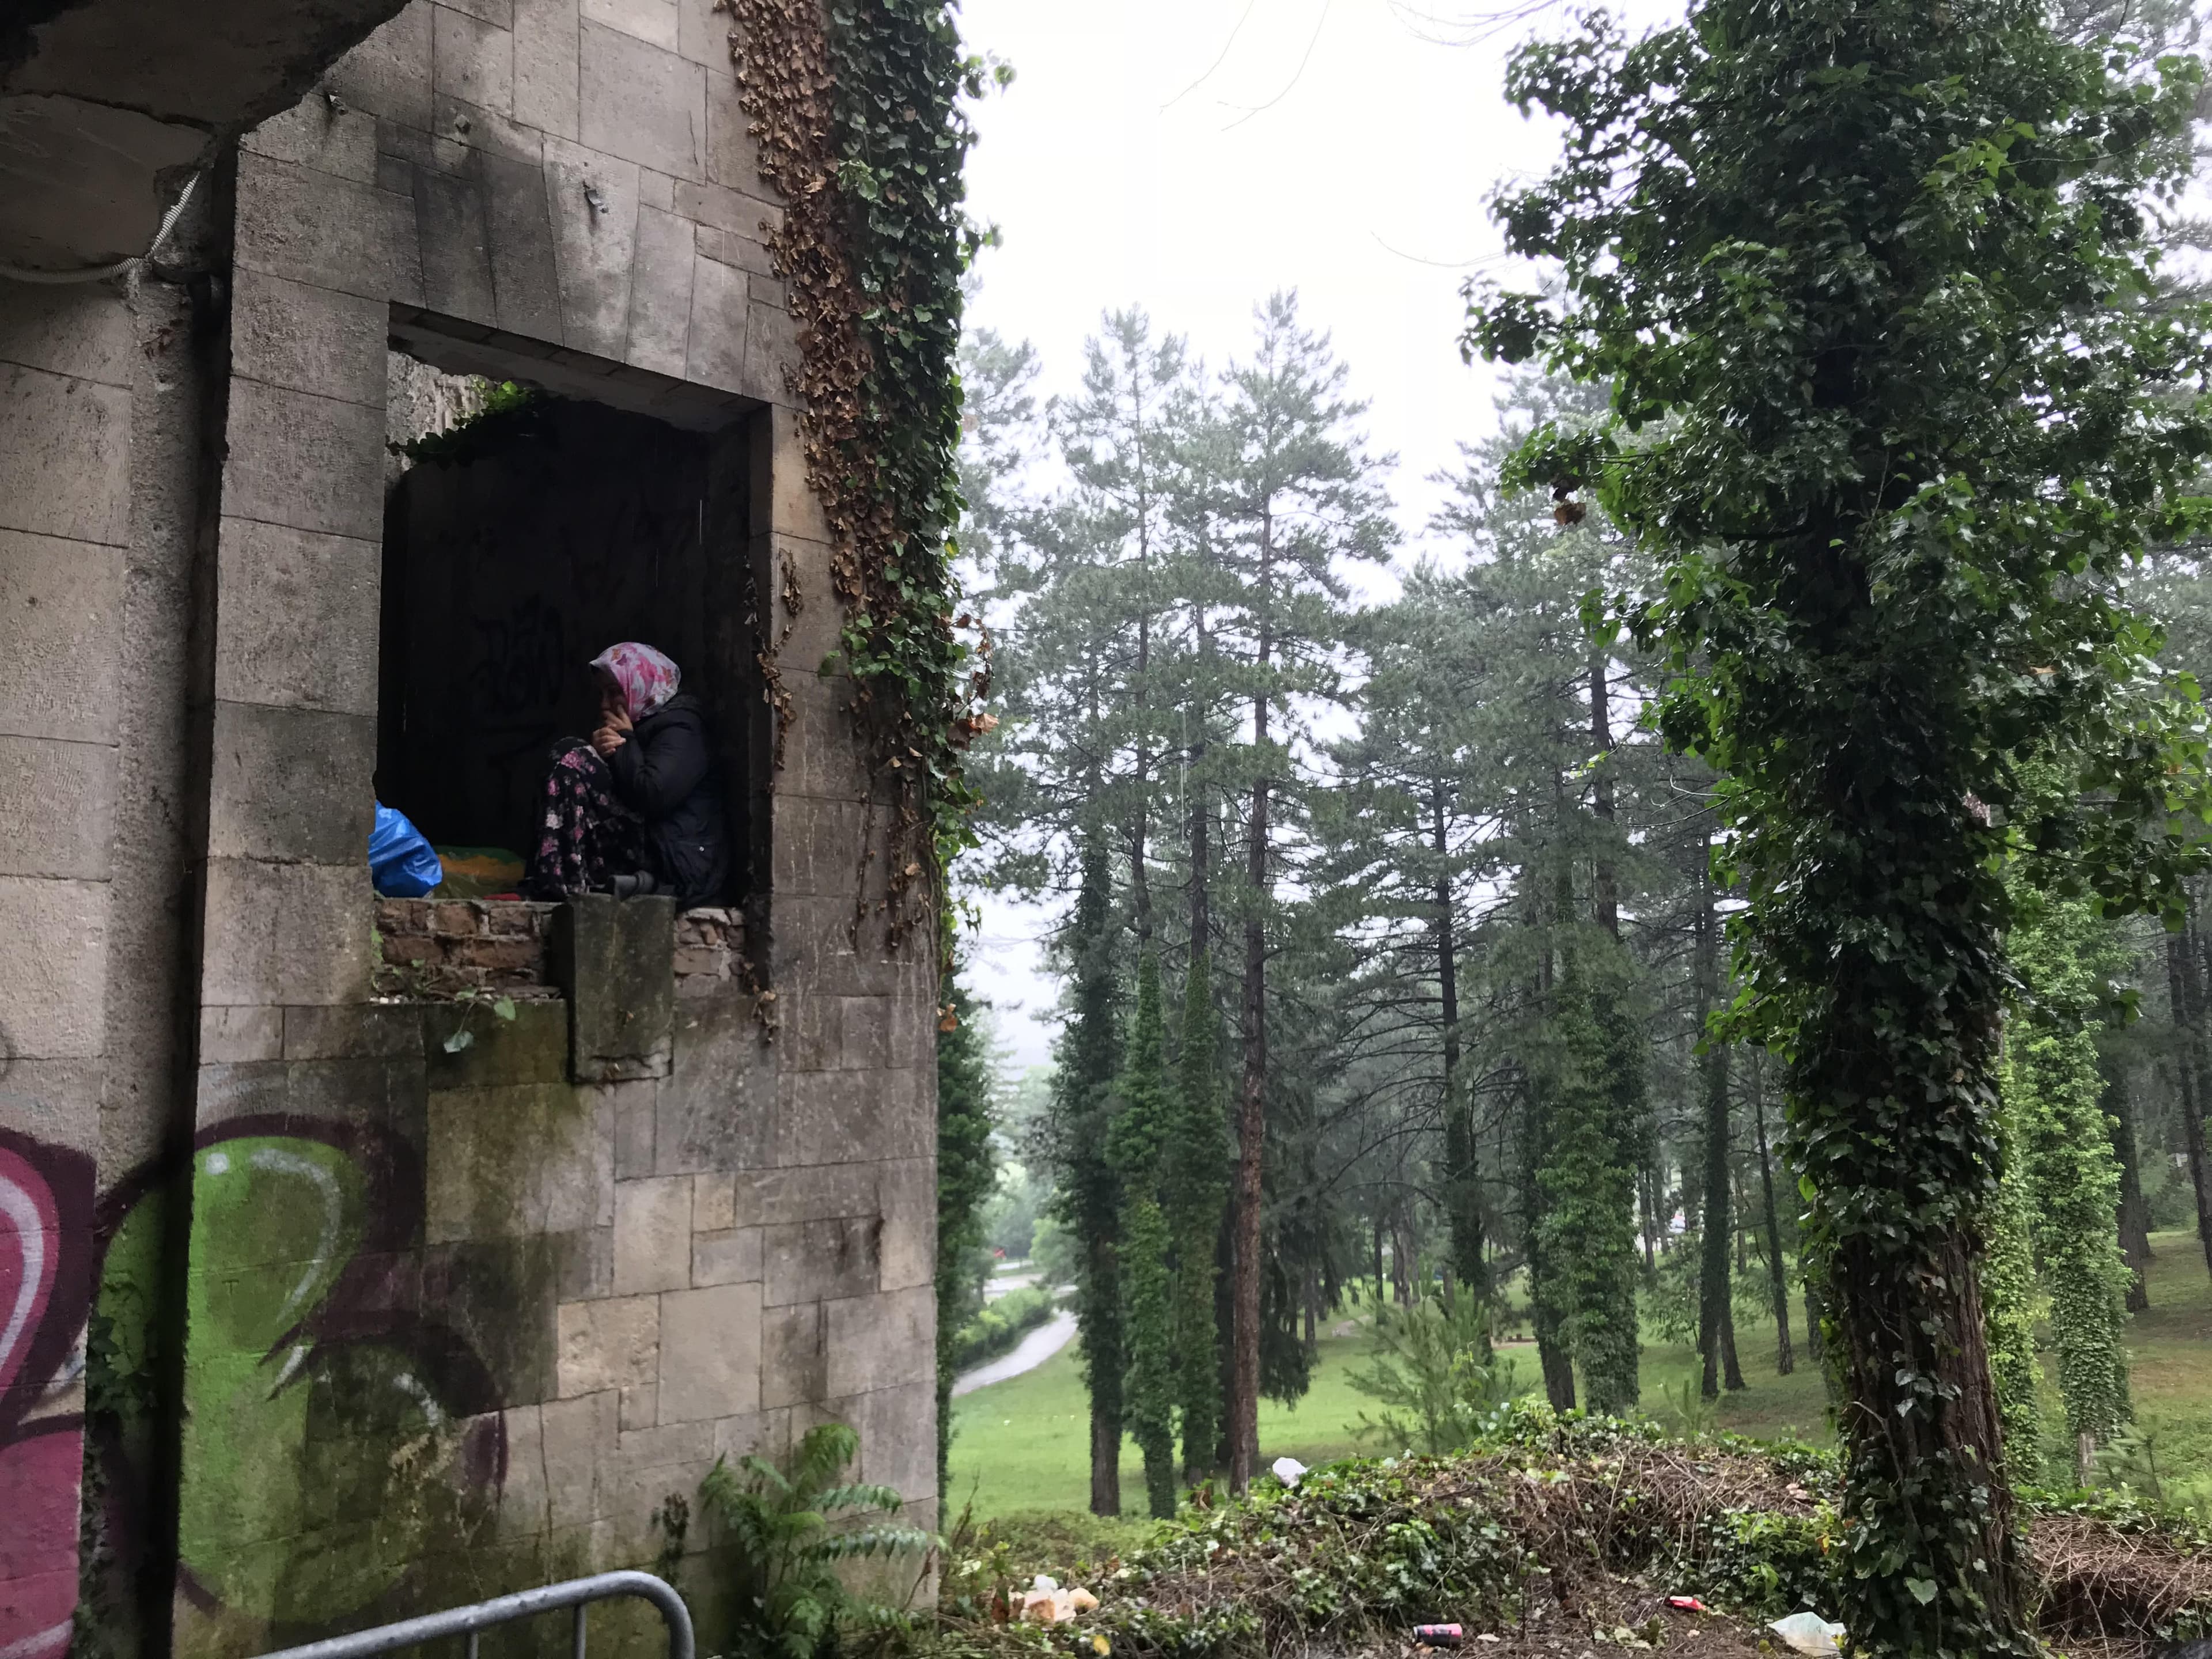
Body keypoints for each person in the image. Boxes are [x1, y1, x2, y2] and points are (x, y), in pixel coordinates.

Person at [521, 642, 730, 904]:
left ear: (641, 684)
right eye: (602, 695)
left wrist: (623, 743)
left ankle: (560, 886)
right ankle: (556, 882)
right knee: (573, 757)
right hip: (650, 847)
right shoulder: (641, 724)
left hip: (680, 866)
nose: (605, 705)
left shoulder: (683, 727)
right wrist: (600, 755)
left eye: (614, 692)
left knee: (574, 755)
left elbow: (652, 795)